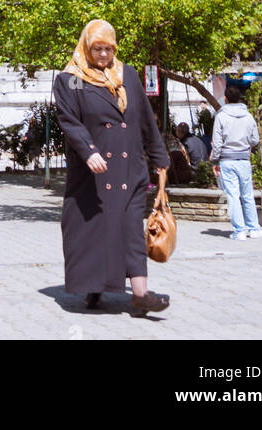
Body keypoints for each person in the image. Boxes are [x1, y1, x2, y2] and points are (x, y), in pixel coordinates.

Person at [53, 19, 170, 317]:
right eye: (97, 48)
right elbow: (69, 120)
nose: (103, 55)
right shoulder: (72, 79)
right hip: (94, 173)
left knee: (131, 228)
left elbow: (144, 118)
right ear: (86, 47)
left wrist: (160, 158)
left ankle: (140, 295)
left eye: (108, 48)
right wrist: (89, 151)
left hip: (130, 168)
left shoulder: (127, 74)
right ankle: (94, 288)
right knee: (98, 231)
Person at [211, 85, 262, 241]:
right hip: (243, 159)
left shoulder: (221, 116)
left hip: (227, 160)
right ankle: (254, 228)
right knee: (247, 195)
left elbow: (217, 141)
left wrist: (215, 160)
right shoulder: (248, 116)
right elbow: (255, 139)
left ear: (225, 99)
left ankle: (239, 230)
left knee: (233, 195)